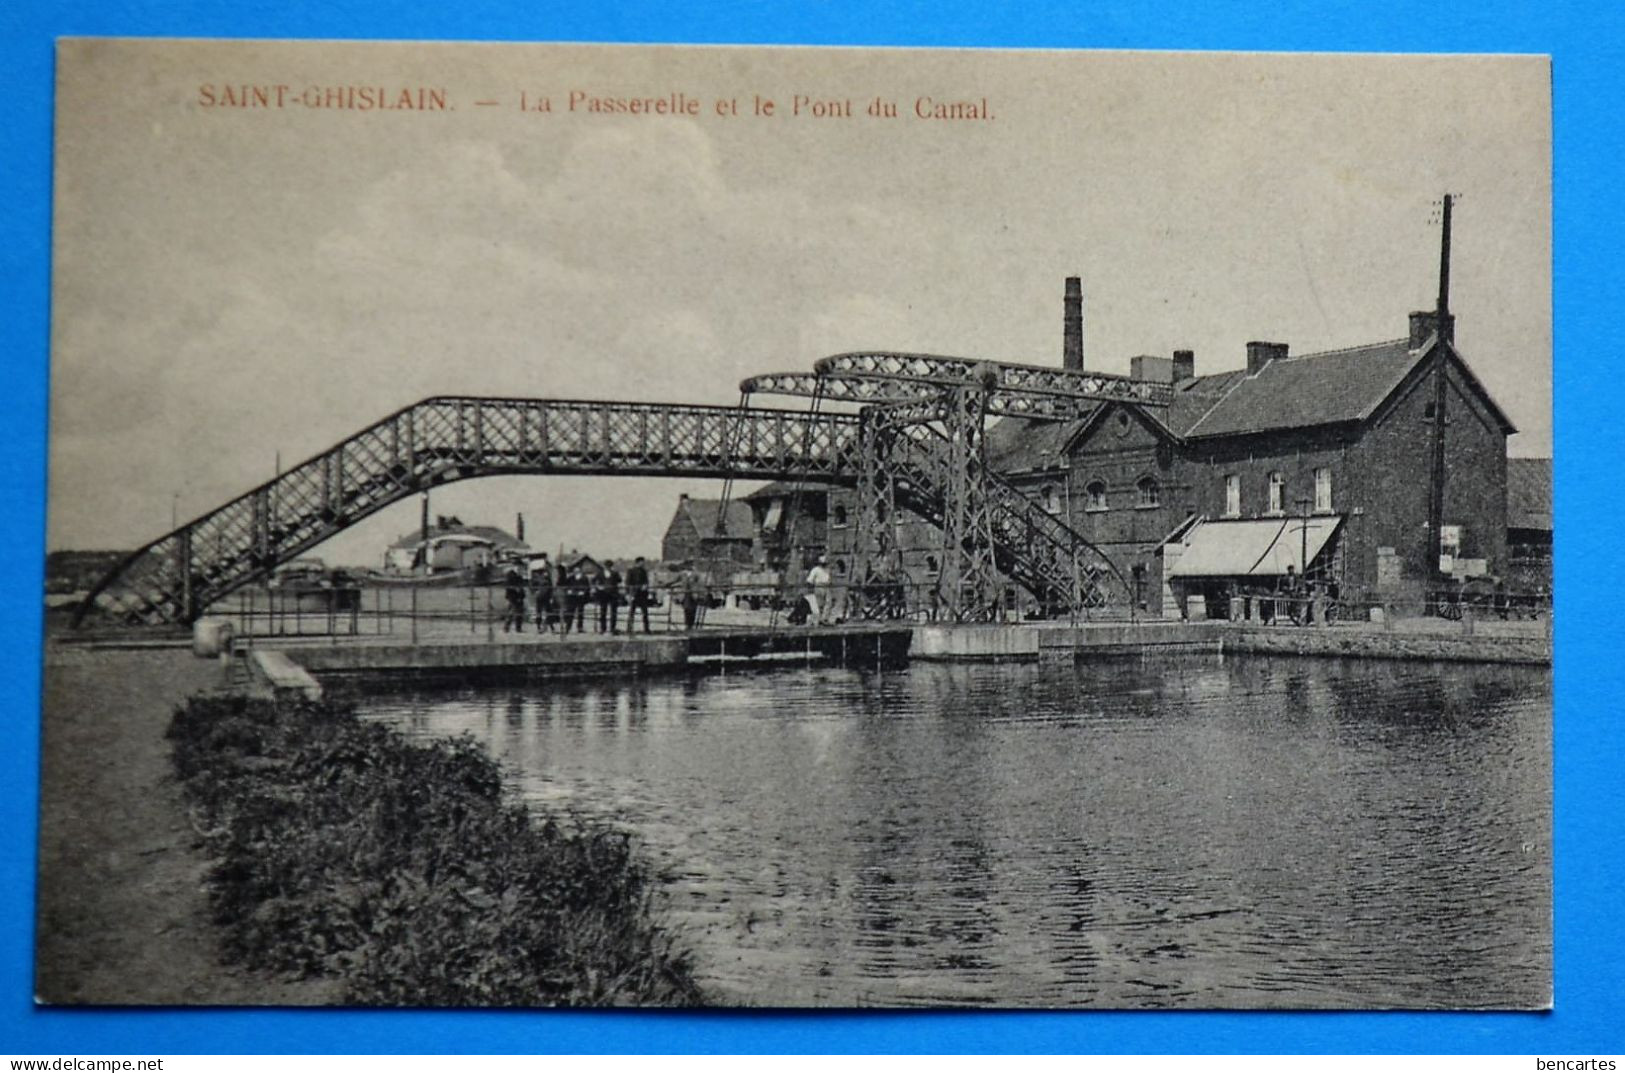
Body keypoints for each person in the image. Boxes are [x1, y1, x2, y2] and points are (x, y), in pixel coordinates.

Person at [625, 556, 652, 634]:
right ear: (638, 562)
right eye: (642, 562)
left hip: (642, 595)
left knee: (645, 612)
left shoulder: (644, 571)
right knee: (631, 612)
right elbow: (627, 582)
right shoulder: (631, 571)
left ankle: (646, 629)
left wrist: (645, 586)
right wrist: (628, 594)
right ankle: (629, 629)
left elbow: (646, 581)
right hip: (634, 594)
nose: (643, 564)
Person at [806, 555, 833, 625]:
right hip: (819, 586)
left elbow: (829, 578)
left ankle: (825, 618)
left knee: (829, 602)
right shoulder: (815, 570)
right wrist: (811, 586)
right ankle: (819, 619)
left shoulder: (827, 570)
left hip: (827, 586)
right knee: (820, 604)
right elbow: (809, 580)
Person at [599, 559, 622, 635]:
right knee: (603, 611)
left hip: (613, 594)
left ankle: (612, 628)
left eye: (609, 566)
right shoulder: (600, 573)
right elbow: (594, 581)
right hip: (603, 594)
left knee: (613, 612)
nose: (607, 568)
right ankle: (603, 628)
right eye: (606, 566)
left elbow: (619, 580)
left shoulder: (615, 573)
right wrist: (599, 587)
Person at [532, 556, 554, 633]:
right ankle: (539, 628)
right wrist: (535, 592)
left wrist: (551, 596)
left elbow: (551, 587)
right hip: (539, 597)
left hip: (547, 597)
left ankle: (551, 628)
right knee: (539, 613)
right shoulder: (536, 576)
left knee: (549, 612)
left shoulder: (548, 577)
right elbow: (532, 586)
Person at [501, 567, 526, 633]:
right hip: (513, 597)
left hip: (517, 597)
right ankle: (507, 627)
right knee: (513, 612)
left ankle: (516, 628)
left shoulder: (519, 577)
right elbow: (507, 586)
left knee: (518, 612)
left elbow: (521, 587)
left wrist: (521, 595)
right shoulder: (510, 576)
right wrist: (515, 589)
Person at [678, 566, 702, 631]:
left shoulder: (696, 574)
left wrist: (698, 592)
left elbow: (700, 583)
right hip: (685, 594)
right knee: (686, 609)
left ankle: (691, 625)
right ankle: (687, 625)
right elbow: (675, 580)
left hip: (693, 594)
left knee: (693, 610)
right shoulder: (682, 574)